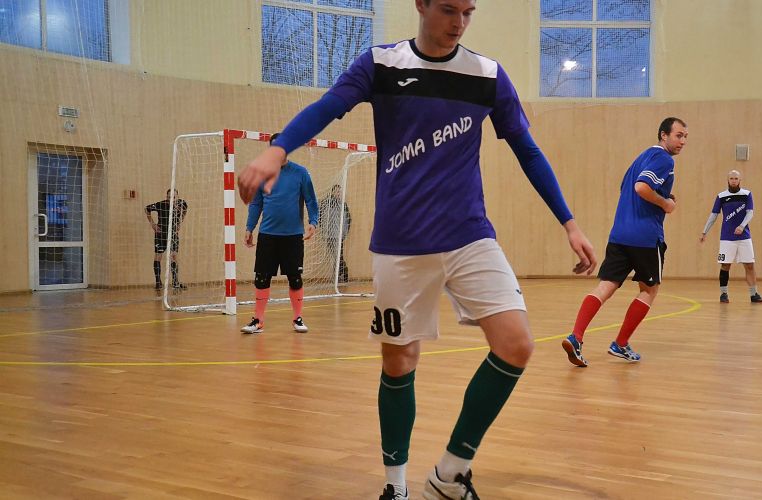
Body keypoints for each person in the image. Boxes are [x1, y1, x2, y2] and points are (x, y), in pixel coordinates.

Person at [237, 1, 597, 497]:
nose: (459, 23)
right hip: (400, 243)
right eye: (448, 9)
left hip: (470, 235)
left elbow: (527, 150)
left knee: (516, 344)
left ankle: (450, 474)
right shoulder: (380, 64)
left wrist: (569, 223)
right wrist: (279, 149)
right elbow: (327, 106)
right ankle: (396, 486)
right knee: (399, 362)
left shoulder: (488, 75)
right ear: (421, 5)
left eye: (468, 12)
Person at [561, 117, 687, 368]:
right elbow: (642, 187)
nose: (683, 141)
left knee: (605, 287)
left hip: (619, 234)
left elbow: (629, 188)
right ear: (663, 135)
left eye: (685, 137)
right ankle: (620, 343)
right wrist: (666, 203)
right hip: (645, 238)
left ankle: (576, 337)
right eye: (678, 135)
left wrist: (661, 196)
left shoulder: (640, 158)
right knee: (649, 290)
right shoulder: (665, 159)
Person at [240, 133, 319, 334]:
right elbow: (256, 204)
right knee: (262, 277)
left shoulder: (301, 173)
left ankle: (297, 318)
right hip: (268, 235)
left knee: (295, 278)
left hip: (293, 236)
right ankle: (258, 320)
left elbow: (311, 200)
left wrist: (313, 222)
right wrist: (249, 228)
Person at [699, 170, 762, 303]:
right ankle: (723, 294)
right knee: (725, 265)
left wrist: (742, 226)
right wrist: (705, 232)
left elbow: (750, 213)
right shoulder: (721, 196)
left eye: (736, 178)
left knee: (750, 265)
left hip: (744, 237)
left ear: (740, 180)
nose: (734, 181)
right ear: (728, 180)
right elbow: (714, 215)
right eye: (731, 178)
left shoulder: (747, 194)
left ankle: (754, 294)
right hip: (727, 238)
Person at [145, 189, 188, 290]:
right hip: (161, 234)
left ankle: (175, 282)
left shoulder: (182, 203)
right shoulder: (161, 204)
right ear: (166, 197)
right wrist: (153, 224)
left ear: (177, 197)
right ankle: (158, 282)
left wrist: (180, 222)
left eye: (173, 197)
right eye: (169, 197)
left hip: (173, 234)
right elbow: (146, 209)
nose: (171, 199)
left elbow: (185, 210)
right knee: (158, 256)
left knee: (174, 256)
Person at [319, 184, 352, 283]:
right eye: (337, 191)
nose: (339, 193)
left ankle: (340, 275)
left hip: (339, 235)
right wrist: (323, 230)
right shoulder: (325, 203)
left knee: (338, 256)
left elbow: (348, 219)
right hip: (329, 235)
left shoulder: (343, 205)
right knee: (335, 256)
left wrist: (345, 232)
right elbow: (320, 218)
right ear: (332, 192)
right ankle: (342, 273)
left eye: (340, 192)